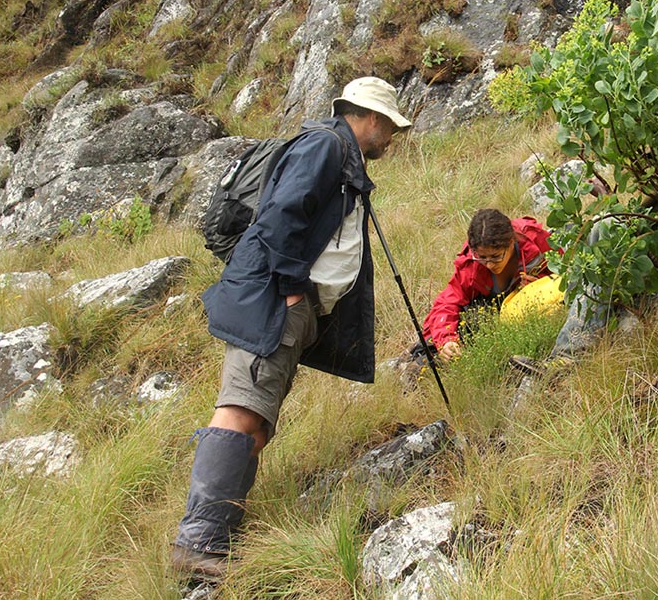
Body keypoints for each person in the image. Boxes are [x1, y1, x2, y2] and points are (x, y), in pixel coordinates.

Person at [170, 77, 411, 581]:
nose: (391, 138)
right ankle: (198, 543)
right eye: (389, 126)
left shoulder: (340, 153)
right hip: (275, 302)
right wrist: (293, 287)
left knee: (257, 422)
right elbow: (282, 215)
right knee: (239, 411)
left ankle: (219, 534)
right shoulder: (326, 144)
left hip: (286, 307)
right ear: (369, 116)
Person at [510, 163, 658, 379]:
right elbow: (645, 226)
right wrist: (607, 202)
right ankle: (569, 351)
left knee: (605, 229)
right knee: (599, 233)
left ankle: (569, 355)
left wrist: (610, 214)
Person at [419, 209, 553, 361]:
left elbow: (566, 270)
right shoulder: (471, 266)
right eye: (482, 257)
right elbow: (447, 303)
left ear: (511, 243)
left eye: (496, 257)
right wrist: (446, 340)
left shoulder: (535, 240)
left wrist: (542, 283)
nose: (488, 264)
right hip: (496, 318)